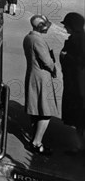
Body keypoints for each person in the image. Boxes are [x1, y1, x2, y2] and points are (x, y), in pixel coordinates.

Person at [23, 15, 58, 155]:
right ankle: (36, 143)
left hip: (32, 74)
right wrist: (54, 69)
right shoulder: (38, 40)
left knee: (37, 109)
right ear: (41, 26)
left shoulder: (28, 37)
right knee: (45, 112)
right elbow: (47, 61)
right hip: (41, 77)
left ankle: (35, 138)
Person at [59, 12, 85, 155]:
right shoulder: (80, 38)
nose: (65, 28)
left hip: (77, 86)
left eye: (67, 26)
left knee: (78, 116)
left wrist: (65, 56)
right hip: (78, 84)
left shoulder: (76, 41)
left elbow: (79, 63)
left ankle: (79, 147)